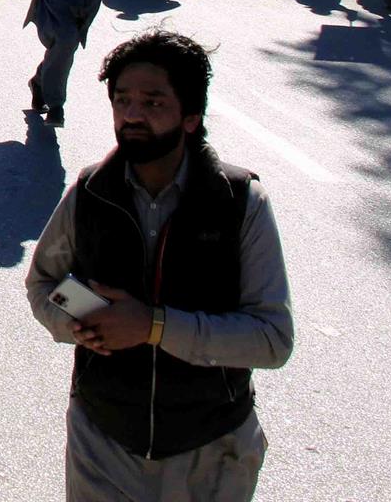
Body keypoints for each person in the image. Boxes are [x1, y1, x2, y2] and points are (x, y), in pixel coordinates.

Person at [26, 30, 294, 502]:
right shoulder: (90, 193)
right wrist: (83, 318)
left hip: (210, 450)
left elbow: (272, 340)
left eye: (153, 104)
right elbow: (47, 283)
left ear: (191, 118)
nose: (131, 116)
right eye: (122, 101)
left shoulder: (239, 203)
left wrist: (153, 327)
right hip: (103, 440)